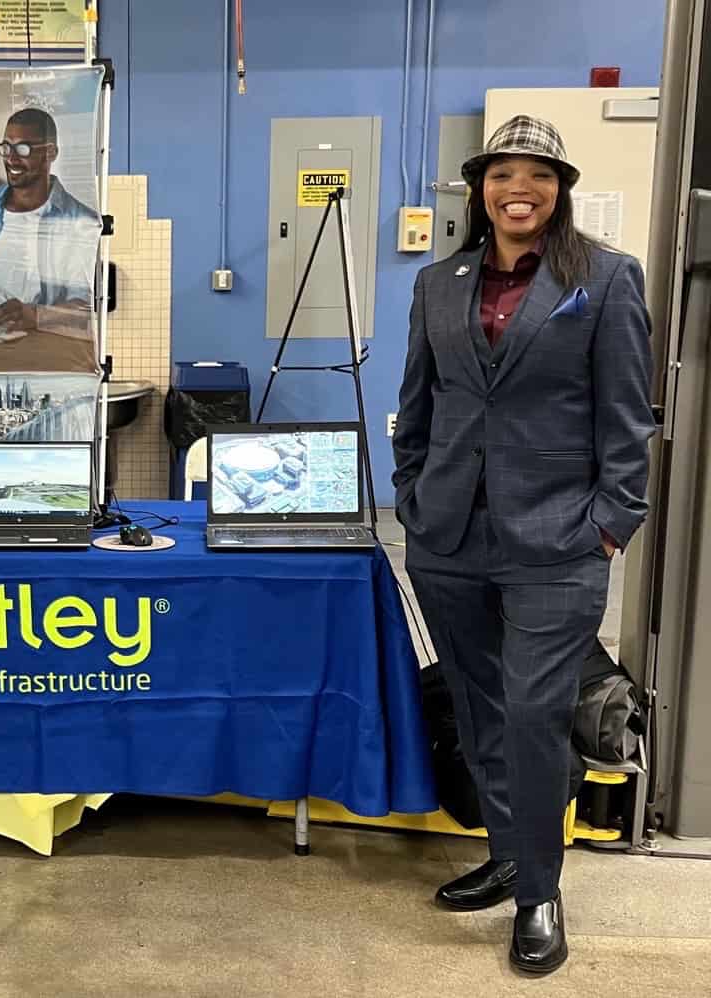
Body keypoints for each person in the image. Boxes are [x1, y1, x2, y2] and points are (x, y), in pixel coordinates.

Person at [392, 116, 654, 975]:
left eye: (538, 174)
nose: (520, 188)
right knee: (478, 706)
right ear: (480, 187)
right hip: (448, 536)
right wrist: (413, 498)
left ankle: (540, 891)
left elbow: (628, 421)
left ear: (560, 189)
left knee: (538, 714)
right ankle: (510, 852)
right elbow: (418, 409)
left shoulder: (606, 279)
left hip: (560, 539)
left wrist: (611, 524)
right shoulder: (439, 283)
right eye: (503, 172)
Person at [0, 107, 100, 333]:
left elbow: (85, 309)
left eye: (23, 149)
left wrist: (36, 316)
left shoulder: (80, 223)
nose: (11, 159)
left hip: (33, 343)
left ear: (50, 153)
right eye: (6, 148)